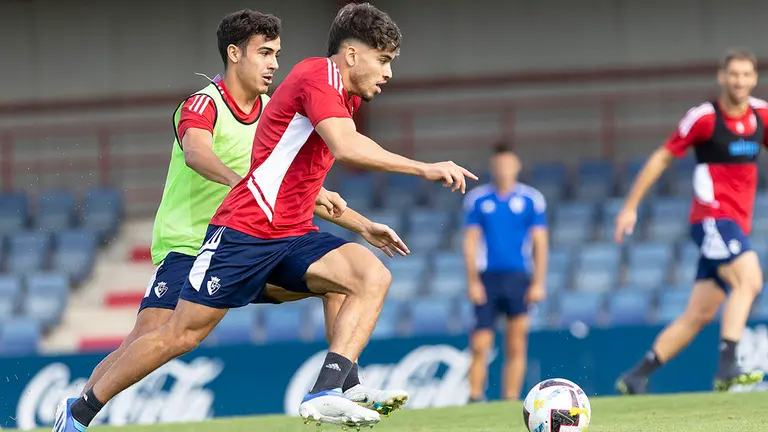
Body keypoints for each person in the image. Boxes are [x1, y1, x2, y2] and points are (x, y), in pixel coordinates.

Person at [55, 3, 476, 431]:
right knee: (172, 336)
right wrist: (424, 167)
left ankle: (334, 389)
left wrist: (363, 225)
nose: (388, 73)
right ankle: (77, 414)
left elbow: (310, 189)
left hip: (290, 235)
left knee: (366, 276)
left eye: (277, 53)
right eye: (383, 61)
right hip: (235, 235)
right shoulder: (293, 83)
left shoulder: (324, 97)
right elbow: (213, 155)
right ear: (351, 55)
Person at [614, 48, 766, 395]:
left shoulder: (762, 116)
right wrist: (630, 207)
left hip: (735, 225)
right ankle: (728, 365)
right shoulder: (704, 117)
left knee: (698, 314)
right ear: (722, 76)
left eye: (746, 75)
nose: (739, 81)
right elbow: (661, 158)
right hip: (711, 218)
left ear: (754, 78)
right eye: (734, 74)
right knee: (750, 280)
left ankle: (636, 376)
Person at [463, 144, 548, 402]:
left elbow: (541, 243)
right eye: (499, 165)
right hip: (488, 278)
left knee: (516, 343)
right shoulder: (478, 200)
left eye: (508, 164)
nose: (503, 170)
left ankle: (510, 398)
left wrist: (538, 282)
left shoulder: (531, 199)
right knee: (480, 344)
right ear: (493, 167)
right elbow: (470, 242)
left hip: (519, 278)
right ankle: (475, 397)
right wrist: (473, 281)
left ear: (517, 166)